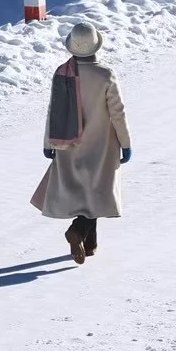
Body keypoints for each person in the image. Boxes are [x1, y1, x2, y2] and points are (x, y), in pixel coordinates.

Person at [31, 22, 132, 264]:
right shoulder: (105, 75)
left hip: (68, 141)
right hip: (102, 145)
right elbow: (117, 112)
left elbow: (53, 111)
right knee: (96, 192)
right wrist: (126, 143)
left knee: (82, 192)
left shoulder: (62, 72)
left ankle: (90, 243)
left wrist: (48, 142)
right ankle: (78, 230)